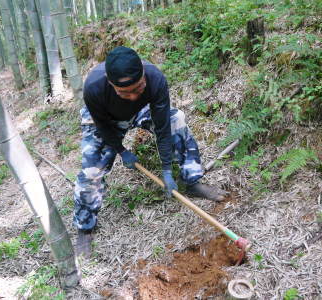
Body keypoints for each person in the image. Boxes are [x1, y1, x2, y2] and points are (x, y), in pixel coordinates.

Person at [74, 46, 226, 257]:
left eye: (138, 88)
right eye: (124, 92)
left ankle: (192, 181)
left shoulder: (155, 78)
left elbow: (163, 126)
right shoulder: (94, 87)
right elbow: (101, 126)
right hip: (106, 120)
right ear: (111, 83)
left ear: (143, 75)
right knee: (91, 170)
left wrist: (166, 170)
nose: (133, 96)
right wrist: (121, 150)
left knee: (177, 119)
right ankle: (85, 227)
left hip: (140, 113)